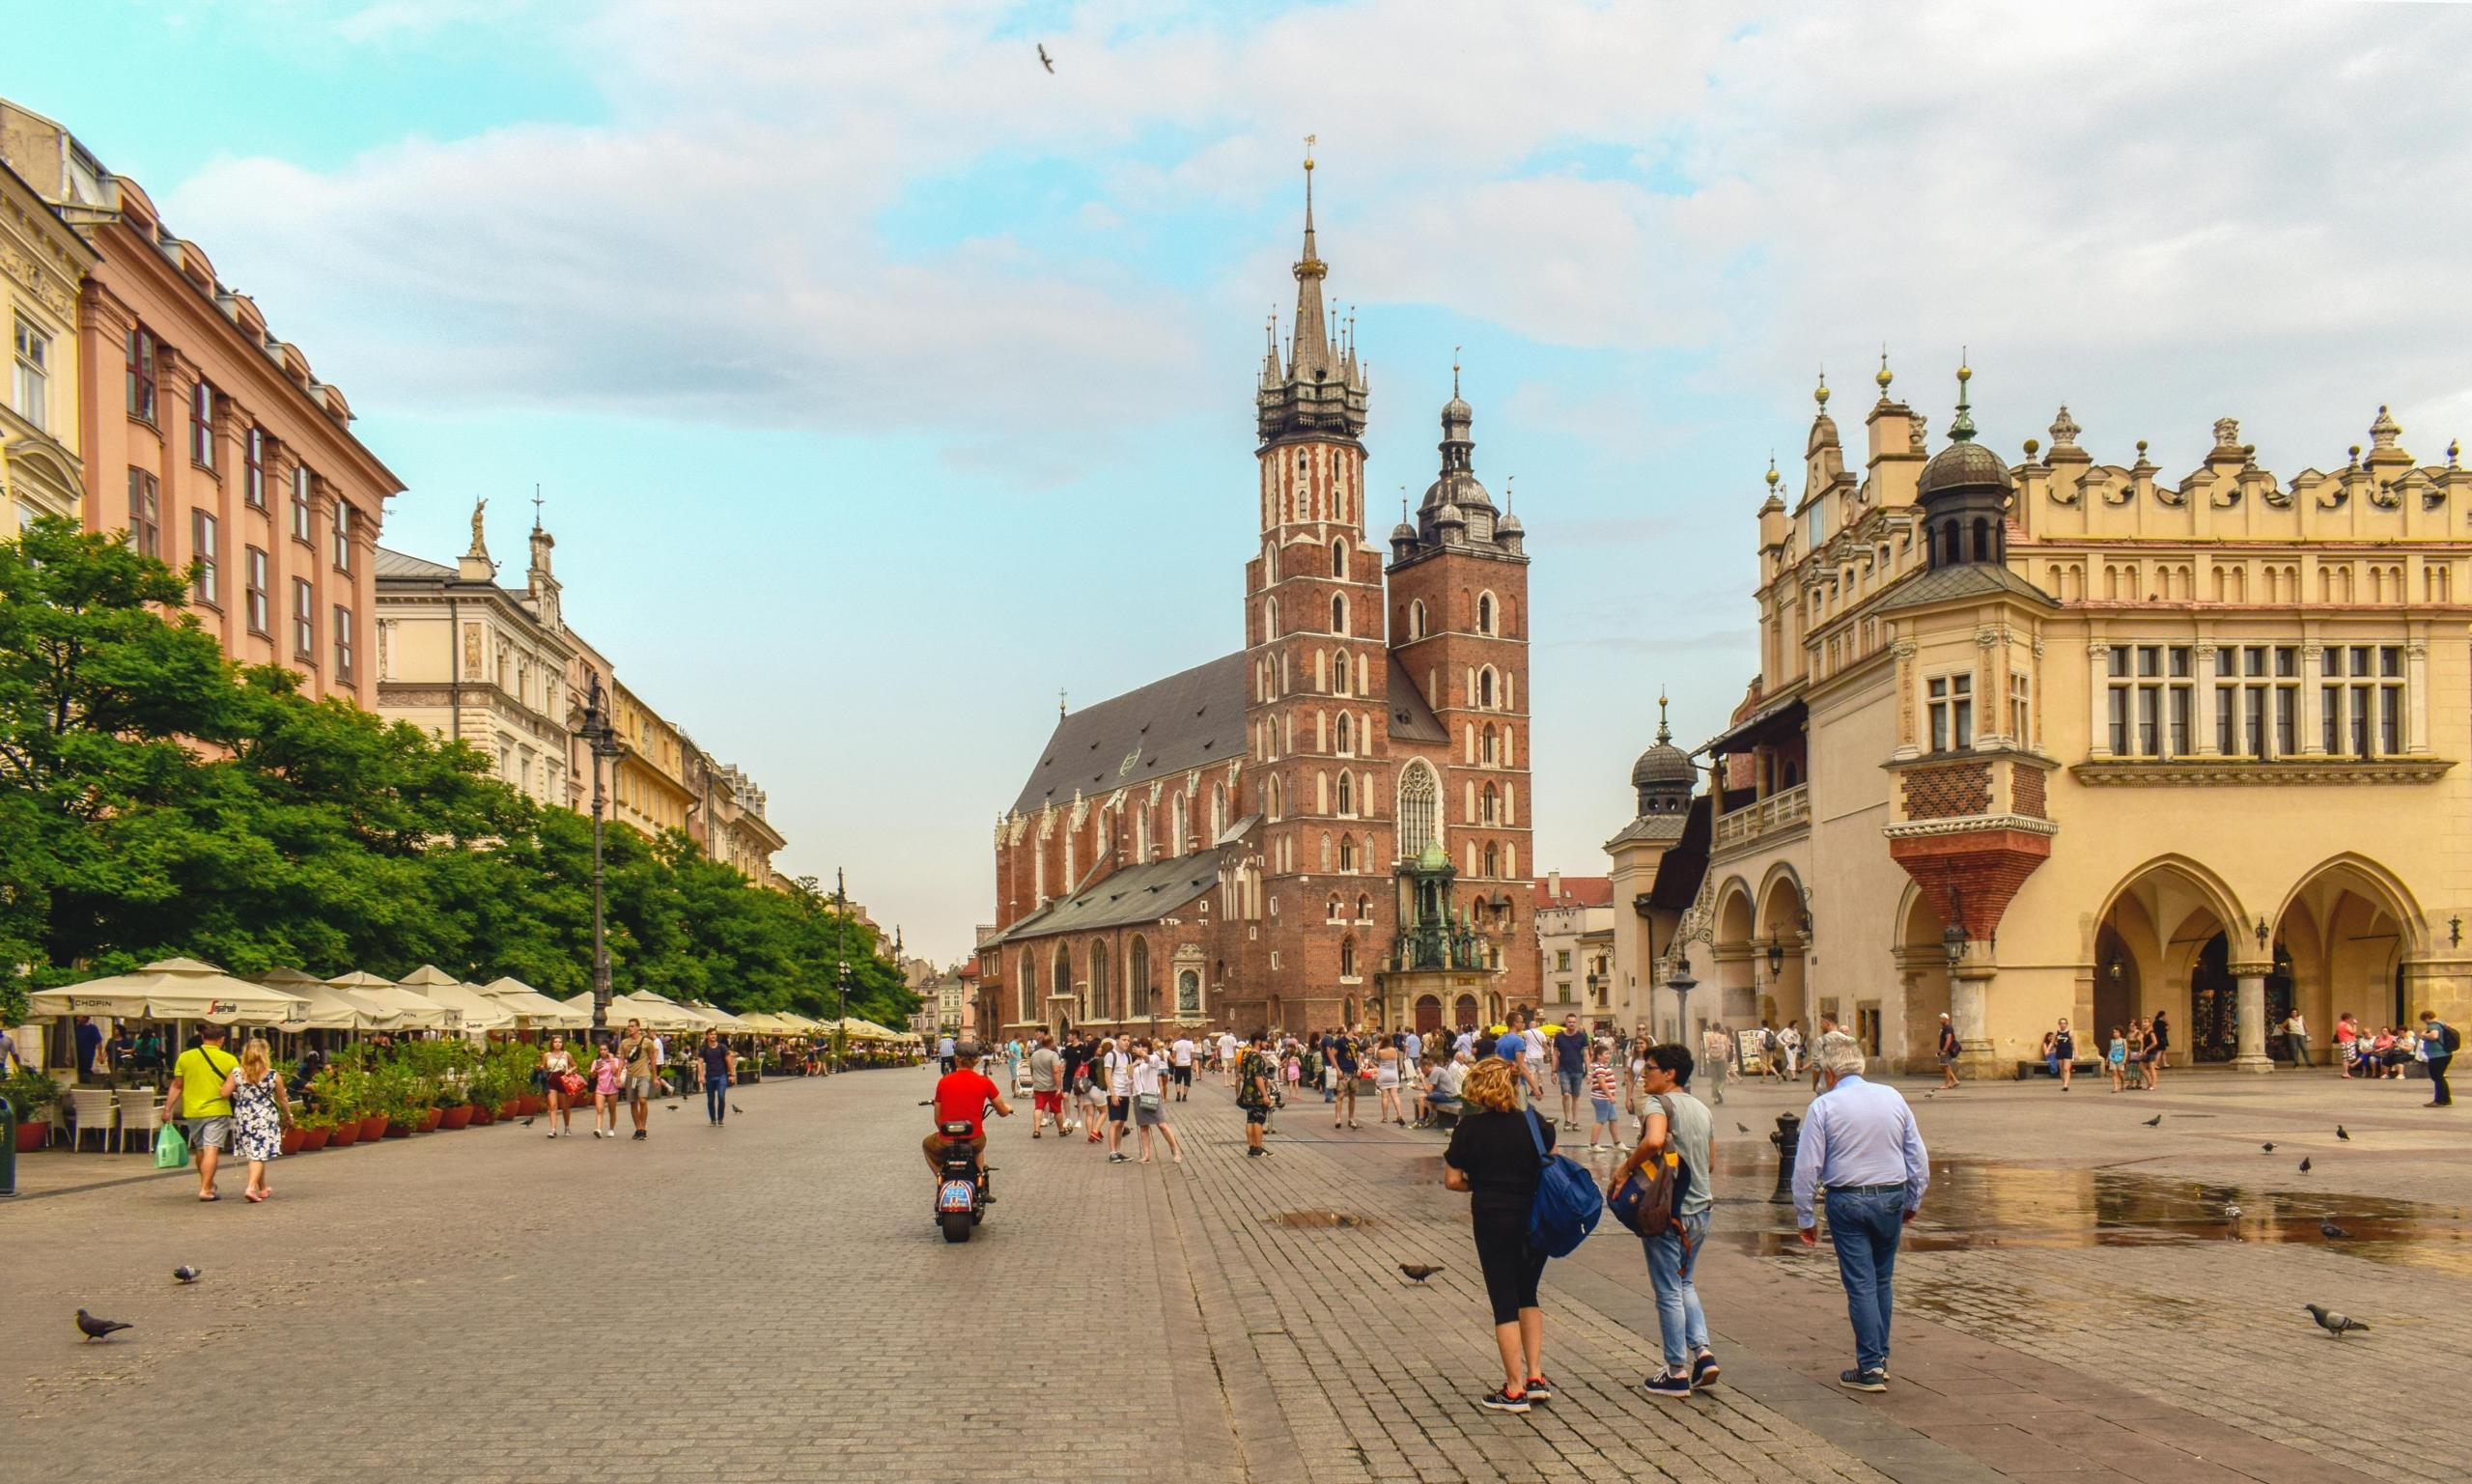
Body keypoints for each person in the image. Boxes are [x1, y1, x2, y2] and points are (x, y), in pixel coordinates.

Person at [1793, 1036, 1929, 1392]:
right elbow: (1917, 1157)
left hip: (1848, 1200)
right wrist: (1913, 1199)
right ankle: (1879, 1358)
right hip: (1890, 1196)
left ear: (1830, 1073)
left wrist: (1806, 1217)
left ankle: (1869, 1366)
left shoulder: (1824, 1106)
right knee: (1882, 1280)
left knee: (1861, 1285)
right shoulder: (1892, 1097)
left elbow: (1807, 1167)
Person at [1442, 1058, 1554, 1414]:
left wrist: (1484, 1184)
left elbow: (1453, 1180)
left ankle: (1514, 1389)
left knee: (1503, 1299)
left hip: (1492, 1218)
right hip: (1535, 1218)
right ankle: (1536, 1378)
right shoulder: (1535, 1124)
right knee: (1528, 1294)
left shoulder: (1469, 1129)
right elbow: (1549, 1165)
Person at [1610, 1043, 1717, 1399]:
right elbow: (1711, 1163)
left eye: (1650, 1068)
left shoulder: (1659, 1104)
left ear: (1669, 1074)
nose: (1644, 1075)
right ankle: (1702, 1353)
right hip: (1702, 1210)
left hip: (1669, 1213)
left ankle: (1675, 1372)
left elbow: (1654, 1139)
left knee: (1669, 1290)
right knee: (1685, 1283)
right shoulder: (1702, 1109)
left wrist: (1626, 1168)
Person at [162, 1023, 241, 1202]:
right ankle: (206, 1189)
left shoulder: (184, 1057)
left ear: (202, 1037)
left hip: (193, 1111)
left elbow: (177, 1085)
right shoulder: (230, 1060)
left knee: (200, 1149)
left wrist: (168, 1109)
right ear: (221, 1040)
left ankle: (207, 1183)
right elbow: (235, 1086)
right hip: (217, 1110)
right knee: (211, 1148)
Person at [921, 1041, 1012, 1178]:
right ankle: (979, 1179)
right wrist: (1008, 1108)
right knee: (979, 1144)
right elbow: (1002, 1110)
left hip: (947, 1139)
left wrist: (946, 1133)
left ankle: (941, 1176)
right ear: (976, 1060)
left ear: (956, 1059)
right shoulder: (985, 1082)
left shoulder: (944, 1082)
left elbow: (937, 1118)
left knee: (926, 1145)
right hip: (974, 1139)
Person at [220, 1036, 293, 1203]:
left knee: (256, 1152)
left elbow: (224, 1093)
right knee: (258, 1153)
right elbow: (282, 1098)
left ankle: (263, 1187)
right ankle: (251, 1188)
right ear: (265, 1054)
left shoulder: (237, 1072)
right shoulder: (273, 1075)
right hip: (265, 1116)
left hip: (244, 1115)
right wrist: (288, 1115)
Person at [1130, 1037, 1184, 1164]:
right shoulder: (1135, 1062)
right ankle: (1146, 1154)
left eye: (1144, 1046)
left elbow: (1150, 1060)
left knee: (1161, 1124)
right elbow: (1129, 1078)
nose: (1141, 1049)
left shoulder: (1153, 1058)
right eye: (1138, 1047)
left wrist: (1143, 1055)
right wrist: (1132, 1066)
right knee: (1143, 1127)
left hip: (1151, 1095)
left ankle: (1175, 1149)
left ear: (1148, 1048)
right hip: (1138, 1095)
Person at [1237, 1031, 1277, 1157]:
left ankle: (1252, 1147)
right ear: (1259, 1041)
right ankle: (1259, 1148)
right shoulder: (1258, 1057)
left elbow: (1241, 1073)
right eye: (1265, 1041)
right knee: (1259, 1120)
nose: (1267, 1043)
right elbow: (1258, 1077)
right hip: (1257, 1094)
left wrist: (1248, 1083)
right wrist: (1265, 1095)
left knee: (1250, 1119)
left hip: (1247, 1093)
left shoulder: (1246, 1055)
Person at [617, 1020, 657, 1141]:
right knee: (633, 1102)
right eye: (629, 1026)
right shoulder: (624, 1043)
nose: (630, 1028)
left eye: (632, 1026)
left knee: (643, 1100)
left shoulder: (647, 1042)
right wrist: (618, 1075)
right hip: (631, 1076)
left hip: (643, 1075)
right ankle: (638, 1128)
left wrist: (655, 1076)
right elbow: (622, 1059)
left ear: (638, 1028)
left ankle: (643, 1128)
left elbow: (653, 1059)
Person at [1101, 1036, 1136, 1162]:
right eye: (1124, 1039)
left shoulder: (1128, 1056)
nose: (1127, 1042)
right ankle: (1112, 1152)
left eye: (1128, 1040)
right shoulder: (1111, 1055)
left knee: (1121, 1123)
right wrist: (1113, 1093)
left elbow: (1129, 1074)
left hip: (1125, 1092)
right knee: (1115, 1122)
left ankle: (1118, 1151)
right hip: (1114, 1092)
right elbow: (1107, 1075)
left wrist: (1133, 1068)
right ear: (1117, 1041)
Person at [1585, 1041, 1622, 1152]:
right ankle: (1593, 1144)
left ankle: (1617, 1142)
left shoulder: (1603, 1067)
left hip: (1606, 1099)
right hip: (1602, 1098)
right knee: (1600, 1120)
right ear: (1599, 1056)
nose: (1608, 1056)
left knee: (1613, 1119)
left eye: (1609, 1054)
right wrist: (1610, 1095)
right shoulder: (1600, 1068)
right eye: (1606, 1054)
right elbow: (1602, 1083)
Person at [1025, 1031, 1064, 1136]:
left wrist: (1035, 1080)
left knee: (1038, 1108)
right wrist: (1059, 1087)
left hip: (1039, 1086)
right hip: (1051, 1087)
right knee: (1057, 1109)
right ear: (1051, 1043)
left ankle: (1037, 1130)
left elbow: (1032, 1069)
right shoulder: (1053, 1055)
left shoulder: (1034, 1055)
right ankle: (1061, 1130)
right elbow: (1056, 1071)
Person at [1552, 1020, 1589, 1131]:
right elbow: (1555, 1055)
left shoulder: (1582, 1036)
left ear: (1576, 1023)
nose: (1571, 1024)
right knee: (1566, 1094)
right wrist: (1554, 1071)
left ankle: (1575, 1121)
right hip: (1563, 1069)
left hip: (1578, 1070)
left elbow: (1586, 1055)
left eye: (1573, 1022)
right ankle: (1568, 1119)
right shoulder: (1559, 1037)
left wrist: (1590, 1071)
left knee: (1576, 1097)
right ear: (1566, 1023)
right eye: (1569, 1022)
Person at [541, 1034, 577, 1136]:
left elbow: (575, 1065)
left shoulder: (566, 1054)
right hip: (551, 1080)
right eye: (555, 1042)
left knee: (565, 1107)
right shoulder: (547, 1055)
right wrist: (540, 1068)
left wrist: (569, 1070)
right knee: (552, 1105)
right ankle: (553, 1129)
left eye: (560, 1042)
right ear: (552, 1044)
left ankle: (567, 1127)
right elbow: (543, 1066)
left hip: (563, 1080)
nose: (558, 1044)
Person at [1416, 1052, 1465, 1127]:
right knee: (1427, 1097)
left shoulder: (1434, 1072)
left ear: (1426, 1067)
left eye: (1422, 1069)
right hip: (1448, 1094)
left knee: (1422, 1097)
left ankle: (1421, 1120)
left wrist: (1422, 1079)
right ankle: (1431, 1115)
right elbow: (1432, 1089)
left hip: (1448, 1095)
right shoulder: (1437, 1070)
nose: (1422, 1072)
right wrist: (1418, 1088)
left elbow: (1429, 1091)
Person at [589, 1039, 625, 1138]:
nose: (603, 1051)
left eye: (605, 1049)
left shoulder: (615, 1060)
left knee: (612, 1110)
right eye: (601, 1050)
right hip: (600, 1089)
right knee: (599, 1109)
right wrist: (596, 1069)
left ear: (609, 1050)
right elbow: (592, 1076)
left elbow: (615, 1072)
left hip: (612, 1088)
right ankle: (598, 1129)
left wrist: (612, 1059)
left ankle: (611, 1129)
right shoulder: (597, 1062)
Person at [698, 1030, 736, 1125]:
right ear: (707, 1036)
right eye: (711, 1034)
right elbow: (700, 1063)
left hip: (721, 1075)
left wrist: (732, 1074)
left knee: (721, 1097)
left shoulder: (722, 1047)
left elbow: (729, 1060)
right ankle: (712, 1119)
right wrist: (701, 1076)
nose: (713, 1036)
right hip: (710, 1076)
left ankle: (720, 1119)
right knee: (710, 1099)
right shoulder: (704, 1049)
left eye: (715, 1034)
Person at [2419, 1011, 2455, 1106]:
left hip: (2437, 1055)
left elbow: (2434, 1036)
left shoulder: (2432, 1025)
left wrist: (2424, 1035)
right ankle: (2446, 1099)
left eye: (2424, 1020)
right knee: (2440, 1077)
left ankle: (2440, 1100)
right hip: (2446, 1054)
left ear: (2427, 1018)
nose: (2425, 1022)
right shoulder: (2442, 1023)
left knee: (2437, 1077)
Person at [1332, 1028, 1362, 1131]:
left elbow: (1359, 1055)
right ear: (1353, 1029)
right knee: (1341, 1095)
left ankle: (1351, 1118)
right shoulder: (1340, 1041)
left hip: (1353, 1072)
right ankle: (1338, 1118)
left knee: (1352, 1096)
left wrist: (1359, 1068)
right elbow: (1332, 1054)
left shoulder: (1356, 1041)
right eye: (1356, 1028)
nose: (1358, 1030)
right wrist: (1338, 1069)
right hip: (1343, 1072)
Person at [1374, 1034, 1407, 1126]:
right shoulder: (1395, 1050)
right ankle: (1399, 1115)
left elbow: (1376, 1060)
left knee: (1385, 1097)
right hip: (1393, 1074)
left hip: (1383, 1074)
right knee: (1395, 1096)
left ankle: (1385, 1118)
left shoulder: (1380, 1051)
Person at [1700, 1023, 1730, 1106]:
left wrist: (1711, 1053)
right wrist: (1725, 1056)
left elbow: (1707, 1048)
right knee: (1722, 1077)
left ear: (1712, 1029)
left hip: (1712, 1059)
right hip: (1722, 1059)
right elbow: (1728, 1049)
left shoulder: (1709, 1037)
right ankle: (1720, 1089)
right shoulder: (1724, 1037)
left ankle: (1716, 1098)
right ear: (1720, 1028)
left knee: (1714, 1079)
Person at [73, 1014, 103, 1081]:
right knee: (78, 1069)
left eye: (79, 1017)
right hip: (77, 1053)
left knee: (85, 1069)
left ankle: (90, 1081)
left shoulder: (92, 1028)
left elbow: (99, 1042)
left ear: (85, 1018)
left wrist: (100, 1054)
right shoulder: (77, 1028)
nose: (77, 1019)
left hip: (87, 1053)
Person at [1935, 1013, 1960, 1089]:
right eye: (1940, 1018)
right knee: (1944, 1066)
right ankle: (1955, 1080)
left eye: (1942, 1019)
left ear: (1946, 1019)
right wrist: (1940, 1050)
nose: (1940, 1020)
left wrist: (1945, 1050)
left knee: (1945, 1066)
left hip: (1947, 1050)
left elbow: (1948, 1039)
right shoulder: (1944, 1028)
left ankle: (1946, 1083)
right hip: (1943, 1049)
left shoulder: (1948, 1028)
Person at [1169, 1032, 1195, 1102]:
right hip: (1187, 1064)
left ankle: (1178, 1093)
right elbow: (1193, 1055)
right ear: (1187, 1036)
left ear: (1180, 1036)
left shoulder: (1176, 1043)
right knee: (1187, 1080)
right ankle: (1184, 1096)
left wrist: (1174, 1063)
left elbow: (1173, 1055)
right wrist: (1191, 1063)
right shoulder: (1190, 1043)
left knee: (1178, 1080)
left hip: (1178, 1064)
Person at [2051, 1019, 2076, 1091]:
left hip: (2068, 1051)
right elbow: (2052, 1043)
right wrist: (2048, 1050)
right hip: (2059, 1051)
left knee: (2066, 1069)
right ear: (2059, 1024)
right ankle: (2064, 1083)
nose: (2063, 1025)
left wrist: (2077, 1053)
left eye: (2064, 1023)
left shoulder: (2070, 1033)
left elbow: (2074, 1044)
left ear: (2066, 1024)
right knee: (2061, 1069)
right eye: (2061, 1023)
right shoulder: (2056, 1032)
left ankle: (2066, 1085)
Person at [2106, 1026, 2129, 1092]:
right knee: (2114, 1073)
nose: (2115, 1034)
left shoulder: (2123, 1040)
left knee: (2121, 1073)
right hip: (2113, 1058)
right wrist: (2107, 1058)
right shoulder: (2112, 1041)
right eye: (2114, 1032)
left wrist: (2125, 1059)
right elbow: (2110, 1050)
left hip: (2120, 1058)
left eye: (2116, 1032)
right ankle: (2115, 1087)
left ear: (2120, 1033)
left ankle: (2123, 1083)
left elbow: (2126, 1050)